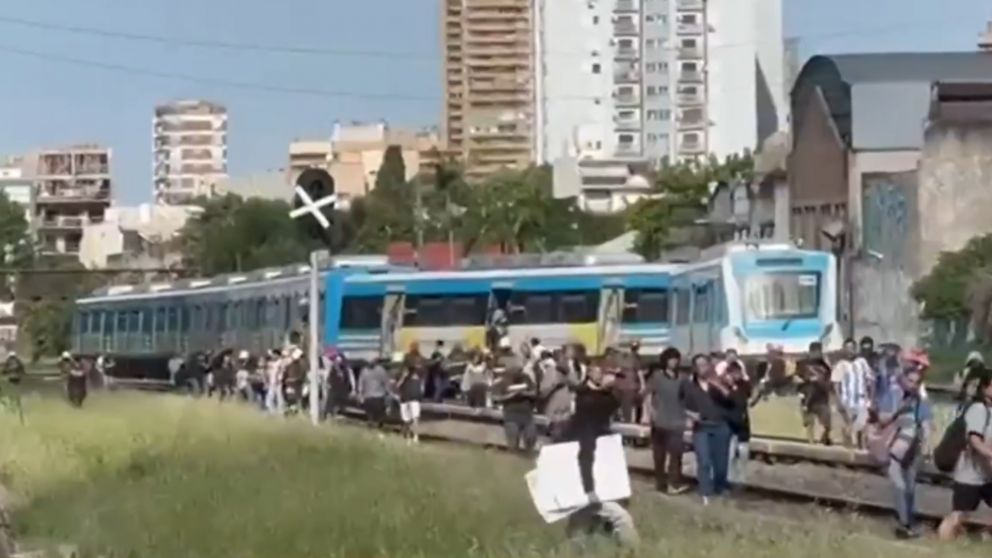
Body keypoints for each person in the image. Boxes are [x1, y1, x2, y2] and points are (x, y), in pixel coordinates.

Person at [561, 363, 639, 547]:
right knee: (620, 518)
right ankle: (634, 550)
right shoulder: (584, 398)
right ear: (589, 374)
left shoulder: (602, 399)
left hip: (595, 468)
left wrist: (609, 390)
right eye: (597, 373)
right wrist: (589, 489)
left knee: (583, 522)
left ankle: (575, 546)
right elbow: (585, 456)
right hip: (589, 473)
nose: (601, 376)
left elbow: (612, 405)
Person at [877, 367, 933, 538]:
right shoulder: (893, 397)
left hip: (912, 449)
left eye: (917, 382)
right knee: (899, 486)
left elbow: (926, 423)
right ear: (903, 379)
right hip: (893, 447)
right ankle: (904, 524)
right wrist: (899, 411)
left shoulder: (920, 401)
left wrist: (927, 443)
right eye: (910, 381)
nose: (913, 385)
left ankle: (908, 522)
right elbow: (882, 419)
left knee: (909, 488)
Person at [939, 370, 992, 540]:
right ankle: (942, 543)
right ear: (985, 388)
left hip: (987, 475)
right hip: (970, 474)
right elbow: (974, 440)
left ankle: (985, 534)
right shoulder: (978, 409)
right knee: (958, 515)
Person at [683, 354, 732, 504]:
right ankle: (705, 492)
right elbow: (681, 404)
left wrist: (718, 385)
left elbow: (731, 400)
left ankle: (720, 487)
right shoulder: (689, 385)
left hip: (721, 426)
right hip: (702, 427)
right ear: (694, 368)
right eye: (699, 365)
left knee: (721, 464)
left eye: (705, 364)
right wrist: (690, 414)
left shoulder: (719, 382)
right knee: (704, 461)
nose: (702, 368)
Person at [646, 347, 689, 494]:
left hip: (677, 421)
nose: (674, 362)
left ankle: (673, 483)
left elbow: (686, 398)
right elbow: (648, 395)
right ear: (665, 361)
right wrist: (651, 412)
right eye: (671, 359)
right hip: (659, 422)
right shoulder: (657, 377)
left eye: (676, 359)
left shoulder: (683, 378)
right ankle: (660, 483)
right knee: (659, 455)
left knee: (676, 455)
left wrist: (687, 417)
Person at [494, 364, 538, 453]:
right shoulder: (503, 381)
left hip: (527, 416)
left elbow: (535, 393)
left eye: (519, 371)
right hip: (511, 416)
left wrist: (525, 394)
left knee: (530, 439)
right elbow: (496, 398)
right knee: (513, 444)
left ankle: (528, 457)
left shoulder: (526, 379)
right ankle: (512, 457)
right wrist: (512, 396)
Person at [723, 361, 753, 486]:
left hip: (742, 419)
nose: (737, 375)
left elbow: (747, 399)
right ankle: (729, 476)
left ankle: (742, 476)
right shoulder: (725, 386)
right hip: (729, 420)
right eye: (733, 372)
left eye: (738, 372)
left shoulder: (745, 385)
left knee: (743, 450)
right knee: (730, 452)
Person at [798, 342, 833, 445]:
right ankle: (811, 444)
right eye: (814, 351)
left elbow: (829, 382)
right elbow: (797, 378)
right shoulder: (803, 364)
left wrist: (821, 382)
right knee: (809, 423)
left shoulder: (825, 366)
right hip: (807, 398)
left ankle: (824, 439)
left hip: (821, 398)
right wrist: (807, 380)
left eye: (819, 351)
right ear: (810, 351)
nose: (817, 353)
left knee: (827, 424)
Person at [840, 340, 872, 449]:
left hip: (861, 399)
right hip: (847, 400)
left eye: (852, 348)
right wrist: (839, 400)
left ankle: (861, 450)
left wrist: (870, 398)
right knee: (849, 427)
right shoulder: (841, 364)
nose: (850, 351)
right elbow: (836, 384)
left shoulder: (862, 362)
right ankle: (848, 453)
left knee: (862, 427)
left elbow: (870, 380)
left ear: (855, 349)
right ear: (844, 350)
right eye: (847, 348)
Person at [358, 358, 391, 433]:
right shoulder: (381, 370)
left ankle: (371, 429)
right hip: (378, 396)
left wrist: (360, 395)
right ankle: (378, 428)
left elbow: (360, 383)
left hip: (368, 396)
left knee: (370, 415)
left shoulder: (364, 371)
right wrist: (388, 392)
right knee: (379, 415)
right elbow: (386, 383)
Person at [397, 357, 425, 443]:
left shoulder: (419, 374)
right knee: (407, 419)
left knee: (415, 418)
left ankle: (415, 436)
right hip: (406, 398)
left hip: (412, 398)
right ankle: (408, 434)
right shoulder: (402, 374)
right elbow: (397, 385)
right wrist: (403, 377)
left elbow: (422, 386)